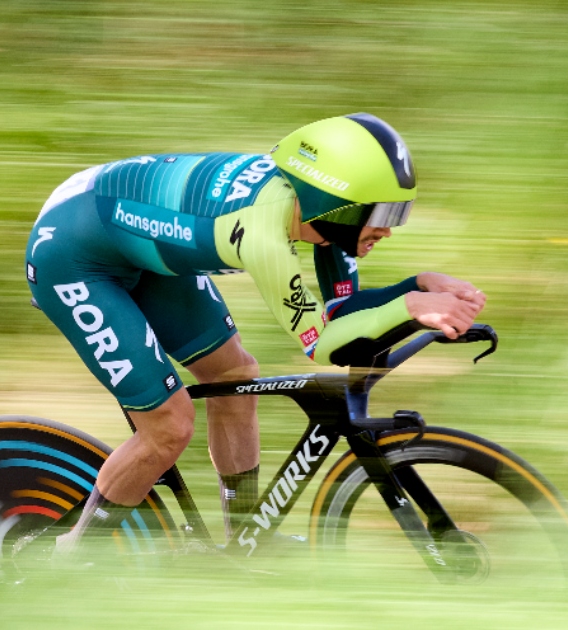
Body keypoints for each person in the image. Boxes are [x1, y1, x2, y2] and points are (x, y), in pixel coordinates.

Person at [24, 113, 485, 551]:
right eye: (382, 214)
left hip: (134, 245)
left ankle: (245, 538)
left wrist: (416, 286)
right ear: (335, 203)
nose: (388, 230)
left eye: (397, 214)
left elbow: (345, 311)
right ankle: (73, 558)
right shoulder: (264, 232)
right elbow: (326, 345)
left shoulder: (320, 216)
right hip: (73, 253)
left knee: (235, 378)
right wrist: (410, 307)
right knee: (168, 426)